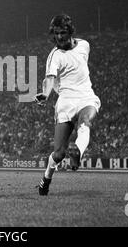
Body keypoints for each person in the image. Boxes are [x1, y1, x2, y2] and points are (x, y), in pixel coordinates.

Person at [34, 14, 101, 196]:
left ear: (70, 32)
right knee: (58, 154)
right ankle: (46, 179)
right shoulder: (54, 56)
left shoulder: (84, 46)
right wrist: (45, 94)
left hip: (86, 96)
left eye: (63, 32)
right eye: (56, 33)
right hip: (65, 102)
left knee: (86, 120)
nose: (60, 37)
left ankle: (77, 151)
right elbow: (49, 79)